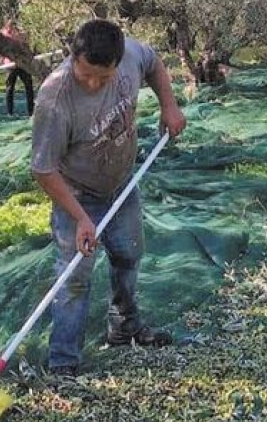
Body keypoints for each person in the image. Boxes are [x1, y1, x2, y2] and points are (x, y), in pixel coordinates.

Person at [31, 19, 187, 377]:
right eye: (85, 74)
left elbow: (153, 63)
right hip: (76, 194)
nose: (93, 84)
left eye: (103, 77)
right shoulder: (55, 99)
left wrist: (169, 106)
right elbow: (43, 170)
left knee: (129, 254)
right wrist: (81, 218)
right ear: (74, 57)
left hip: (121, 184)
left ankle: (124, 327)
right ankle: (63, 362)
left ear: (118, 62)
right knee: (74, 277)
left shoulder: (130, 53)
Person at [0, 19, 35, 116]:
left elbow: (27, 48)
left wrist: (30, 60)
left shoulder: (20, 35)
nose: (12, 29)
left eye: (13, 26)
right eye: (10, 26)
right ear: (6, 26)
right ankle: (10, 112)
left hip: (22, 64)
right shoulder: (1, 35)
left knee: (29, 86)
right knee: (10, 88)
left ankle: (31, 111)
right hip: (10, 66)